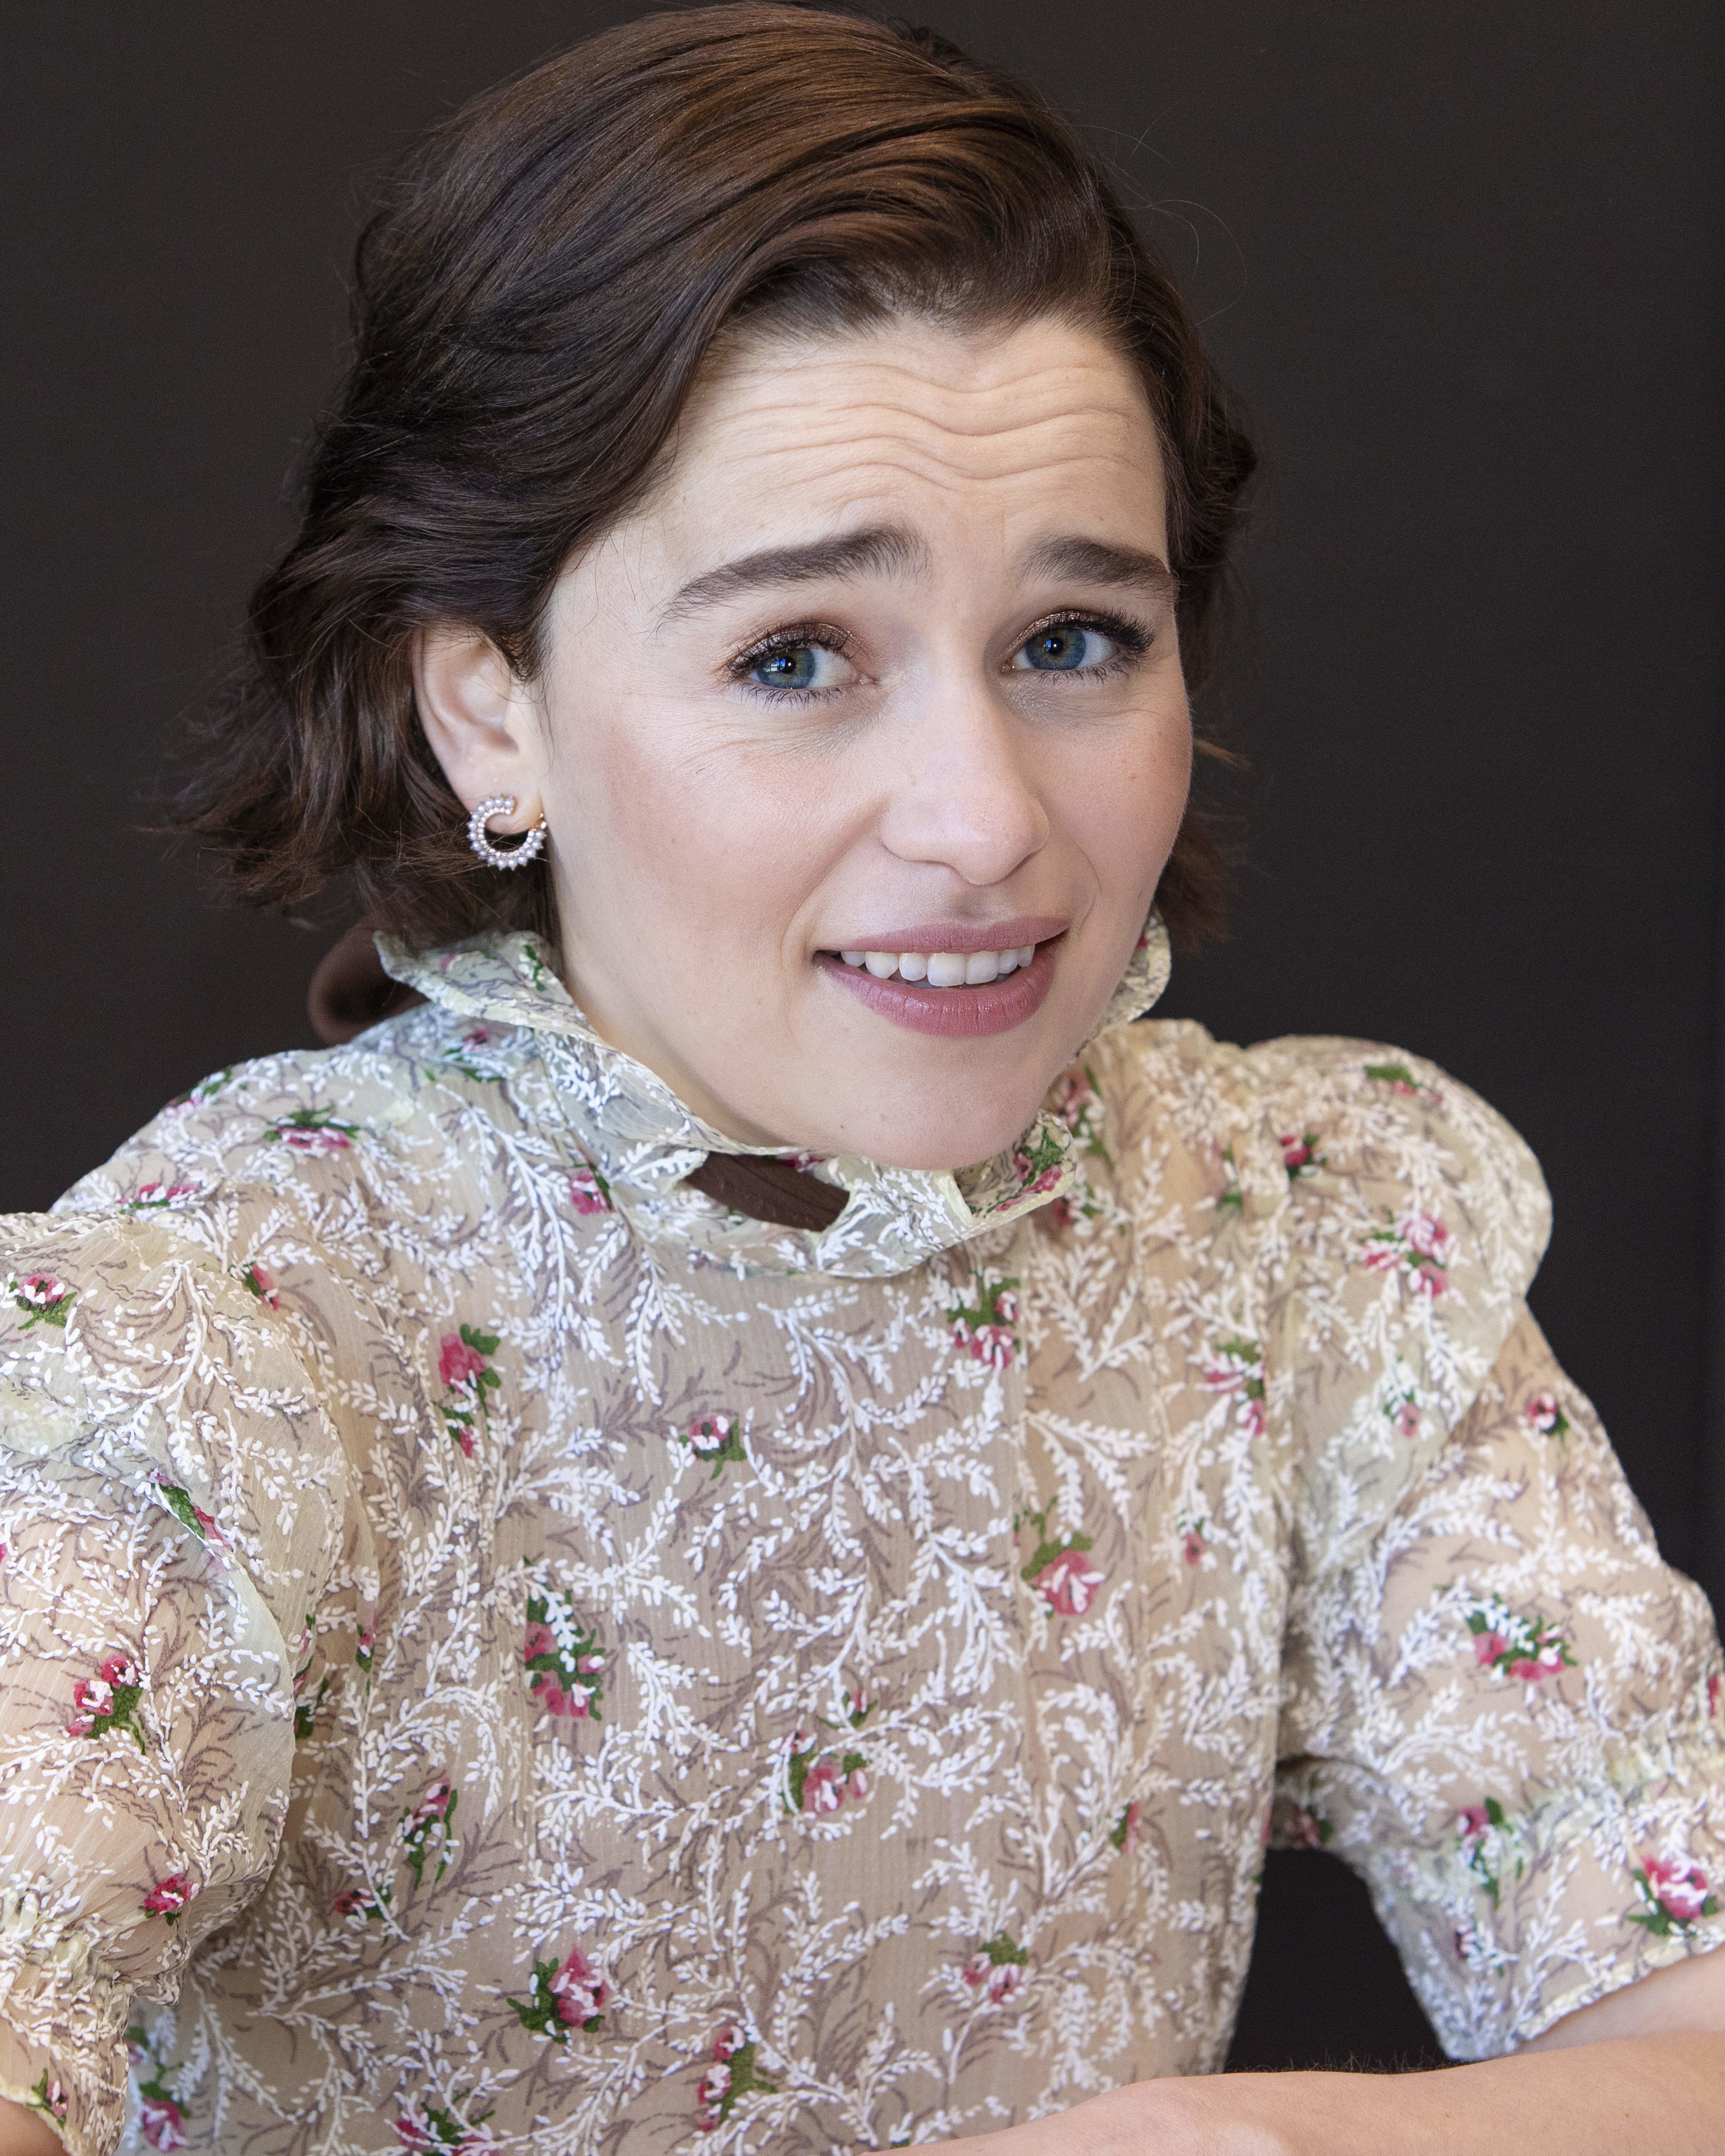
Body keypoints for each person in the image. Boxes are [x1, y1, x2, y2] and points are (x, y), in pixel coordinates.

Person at [2, 8, 1722, 2152]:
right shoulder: (237, 1336)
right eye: (795, 656)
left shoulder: (1297, 1242)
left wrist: (1252, 2146)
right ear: (487, 712)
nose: (982, 821)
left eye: (1070, 641)